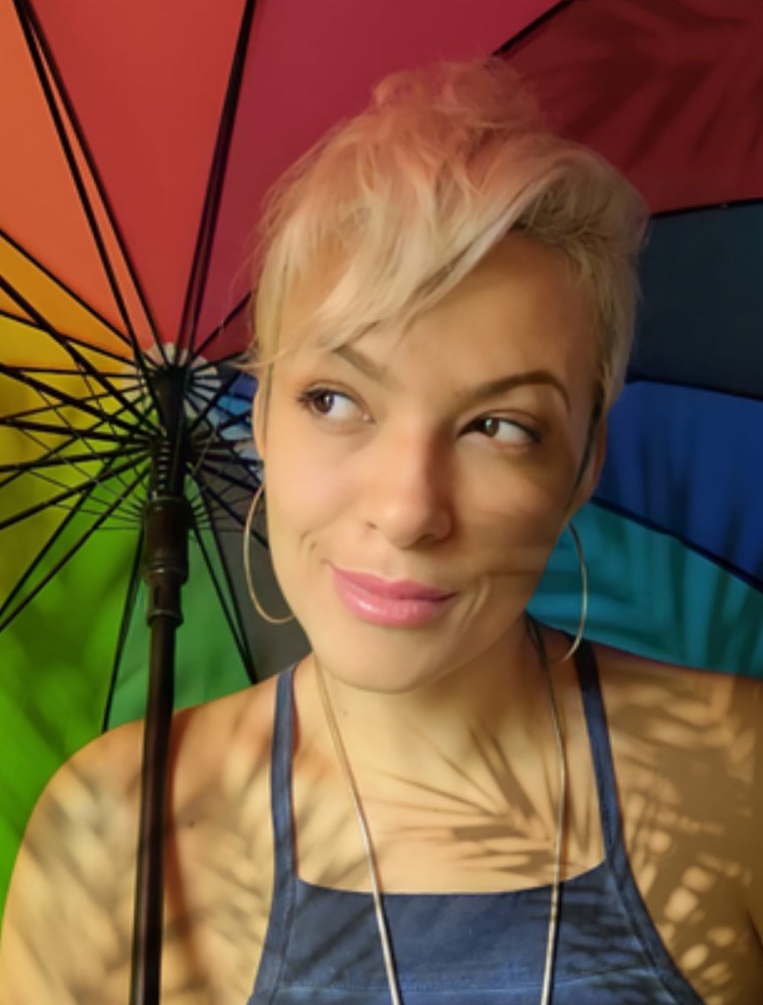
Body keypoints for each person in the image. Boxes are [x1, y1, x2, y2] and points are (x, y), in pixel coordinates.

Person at [0, 59, 761, 1005]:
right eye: (334, 399)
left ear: (581, 465)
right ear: (261, 419)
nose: (407, 510)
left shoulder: (741, 773)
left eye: (498, 426)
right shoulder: (114, 831)